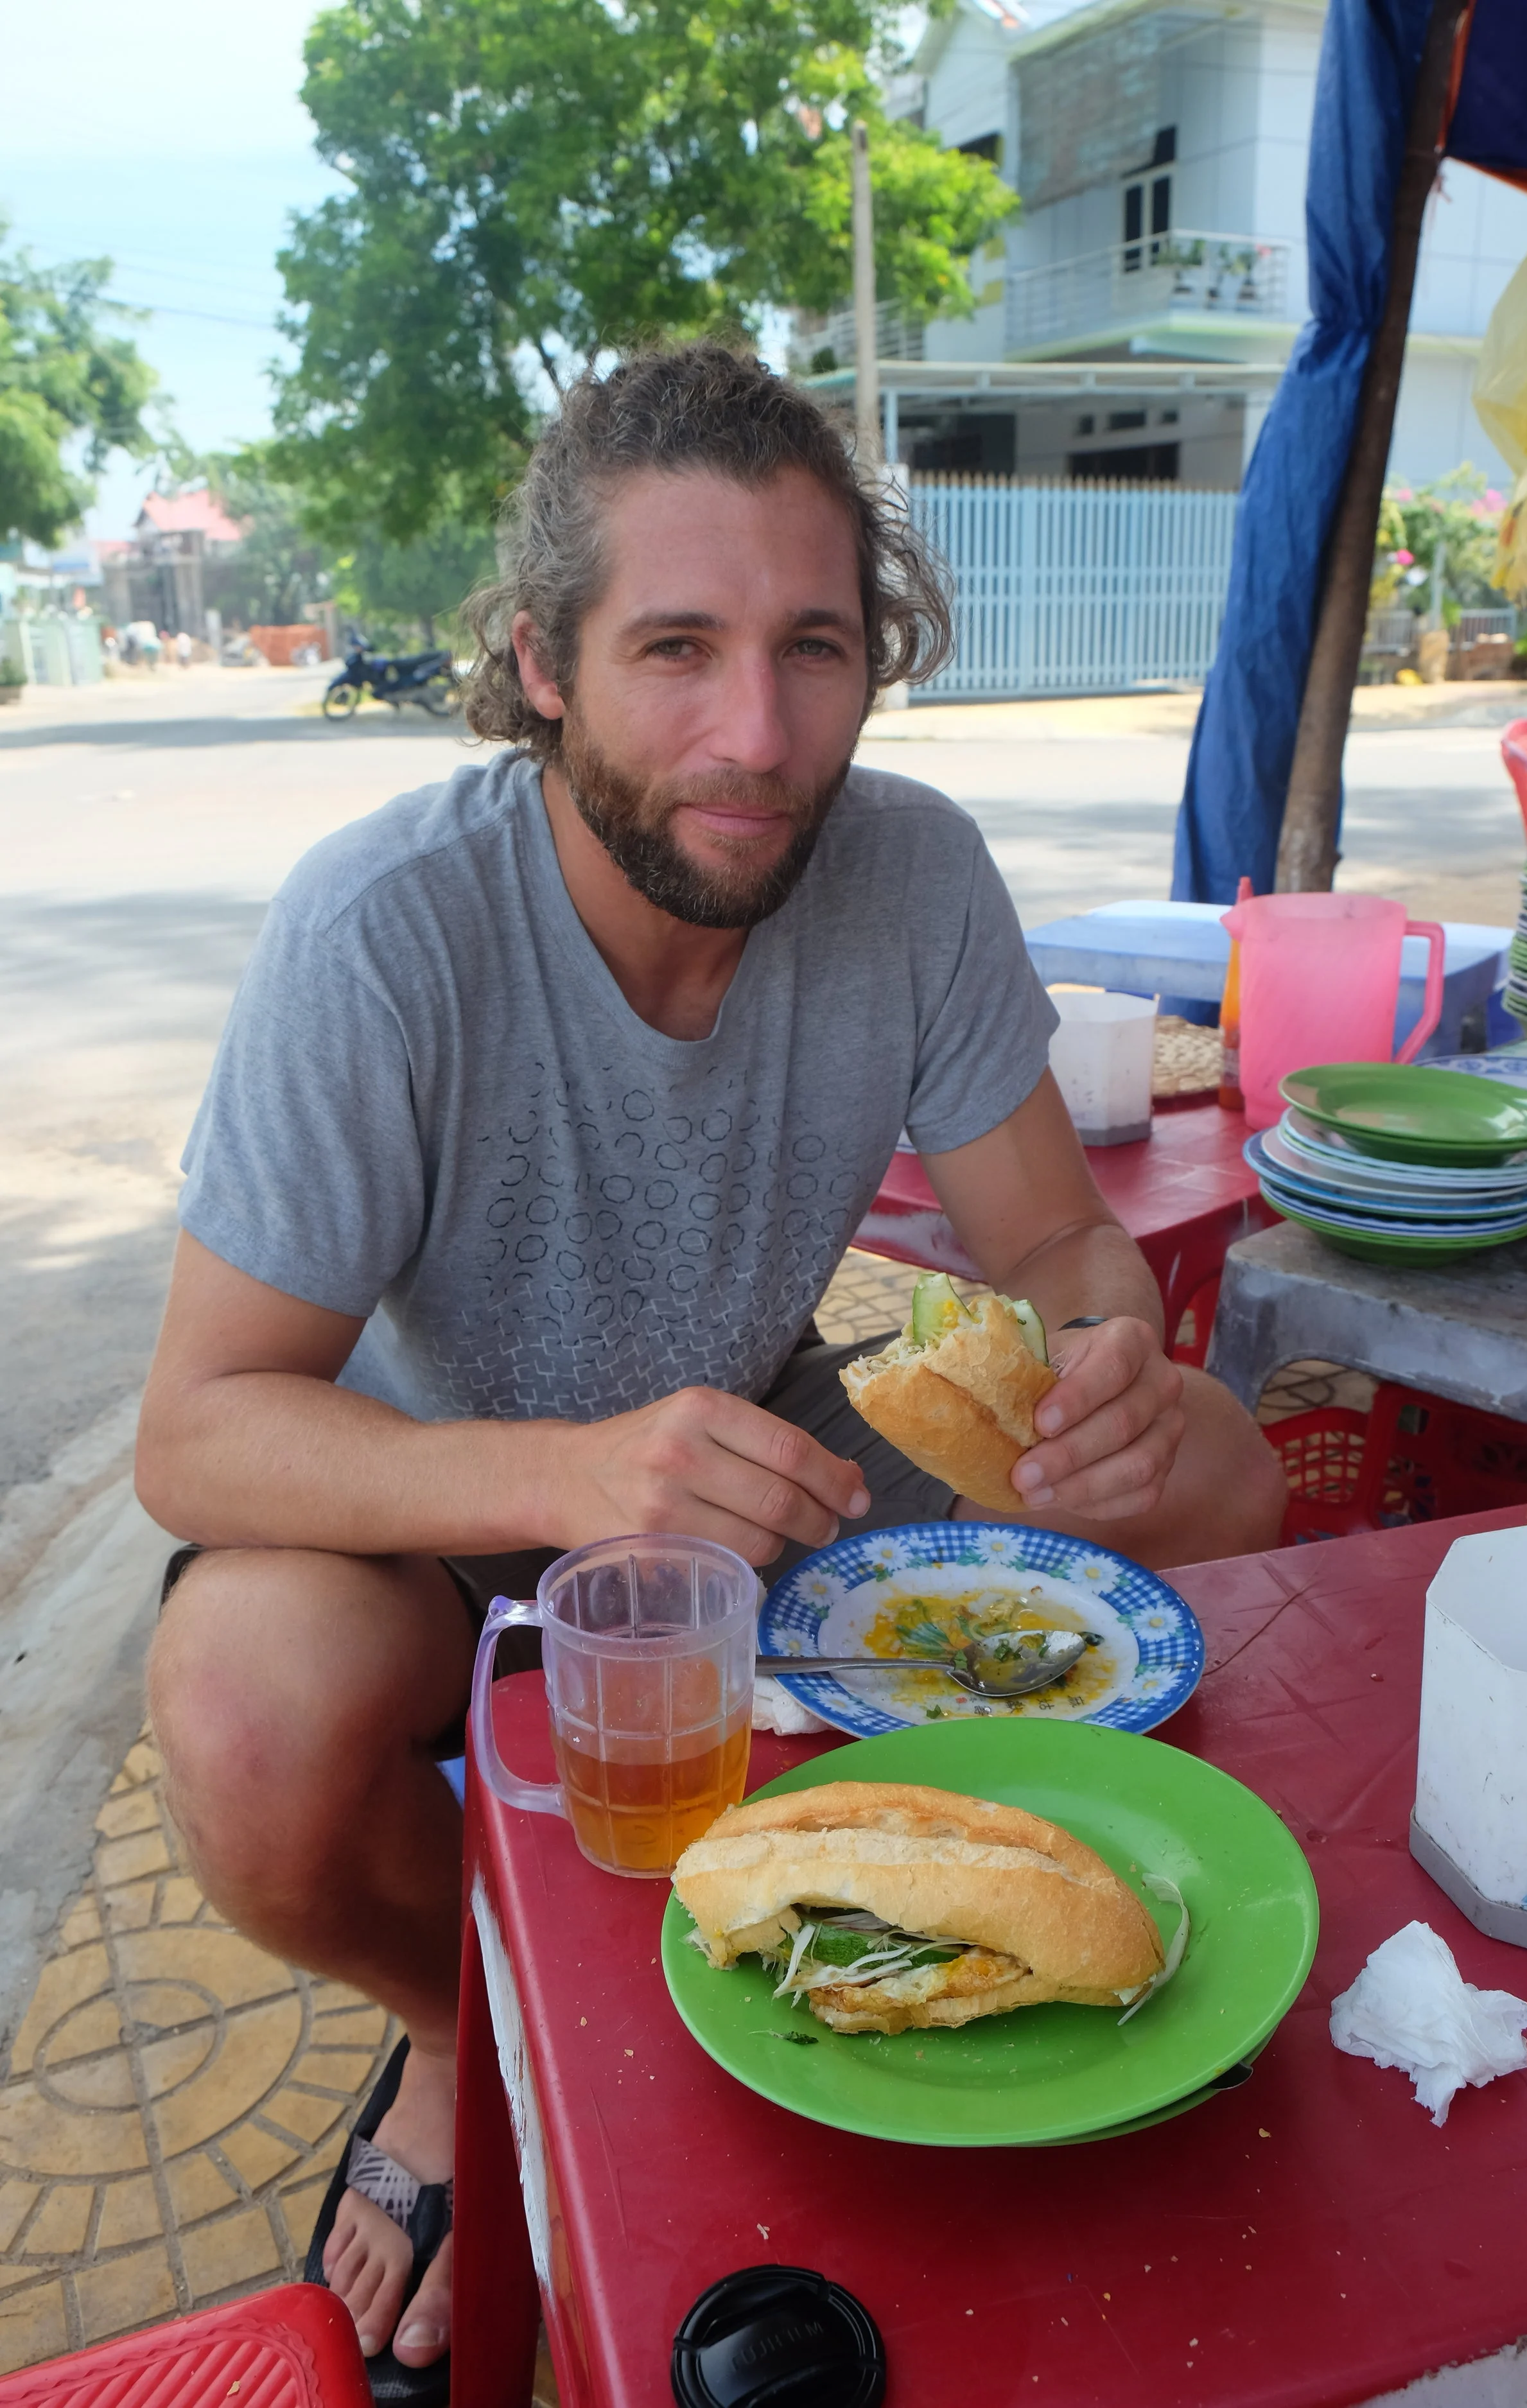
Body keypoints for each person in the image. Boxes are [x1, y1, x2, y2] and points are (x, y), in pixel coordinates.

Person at [136, 343, 1284, 2387]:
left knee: (1214, 1465)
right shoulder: (384, 934)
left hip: (765, 1463)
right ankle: (456, 2025)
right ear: (543, 663)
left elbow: (1045, 1241)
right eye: (676, 646)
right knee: (240, 1711)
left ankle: (1011, 1923)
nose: (755, 736)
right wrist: (566, 1477)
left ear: (874, 657)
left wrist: (1103, 1350)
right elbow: (196, 1429)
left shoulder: (912, 871)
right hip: (429, 1529)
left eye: (813, 648)